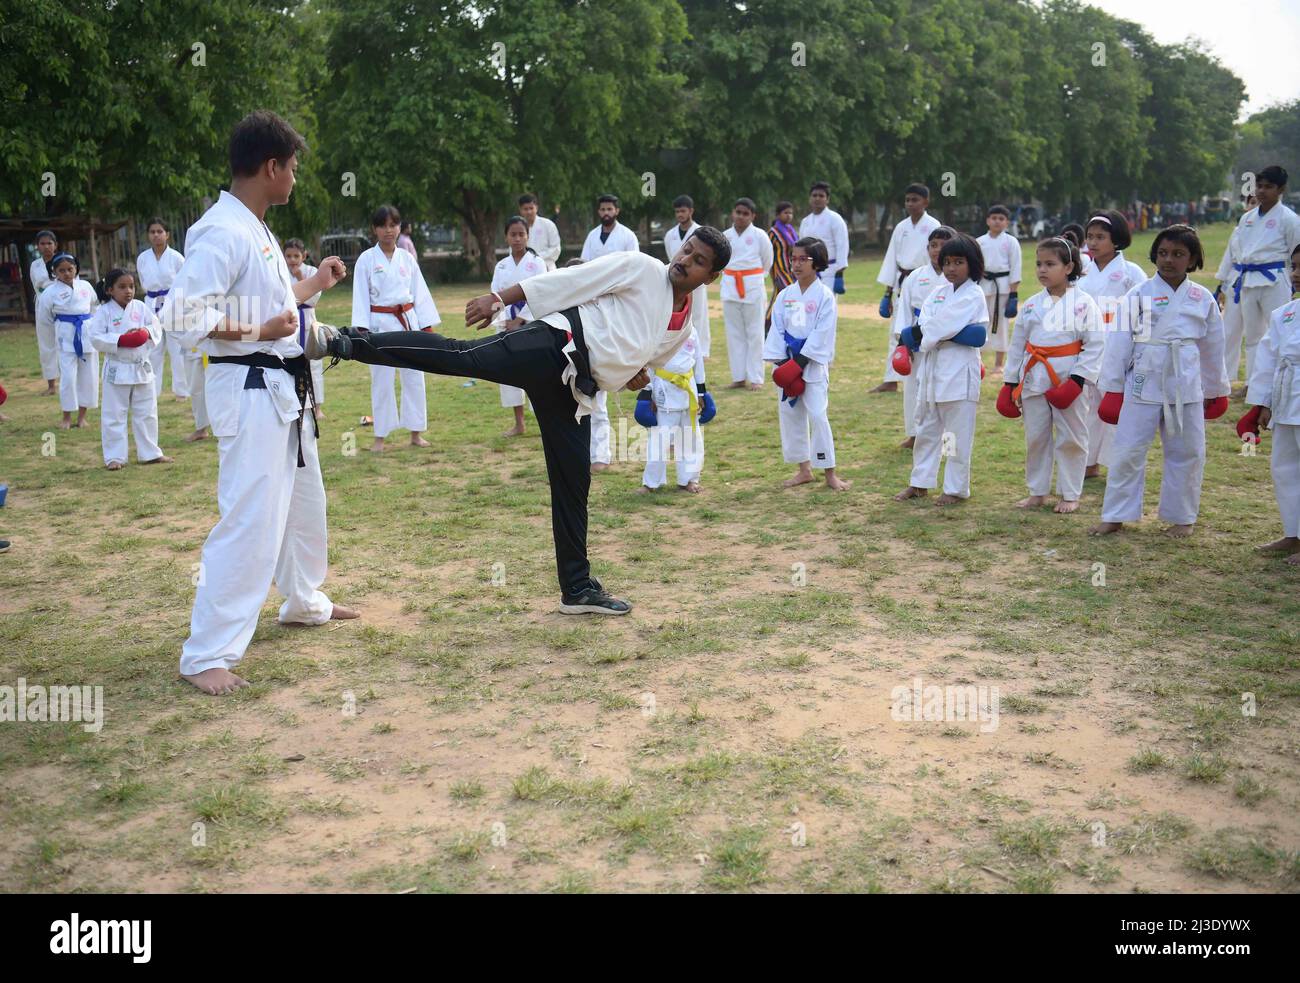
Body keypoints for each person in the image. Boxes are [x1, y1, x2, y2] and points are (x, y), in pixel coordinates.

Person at [306, 228, 731, 615]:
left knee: (573, 482)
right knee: (460, 356)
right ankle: (344, 341)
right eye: (686, 249)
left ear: (709, 277)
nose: (685, 259)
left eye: (697, 261)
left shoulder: (686, 319)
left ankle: (577, 589)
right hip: (551, 345)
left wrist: (632, 375)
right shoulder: (641, 267)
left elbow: (644, 359)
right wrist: (500, 298)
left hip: (575, 390)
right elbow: (569, 282)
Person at [161, 109, 356, 696]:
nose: (295, 177)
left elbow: (274, 304)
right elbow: (182, 315)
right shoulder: (221, 229)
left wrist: (313, 286)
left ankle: (302, 599)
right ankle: (207, 654)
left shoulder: (257, 227)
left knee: (302, 502)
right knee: (251, 518)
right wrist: (257, 331)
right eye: (292, 167)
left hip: (281, 387)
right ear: (270, 167)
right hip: (248, 387)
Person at [1090, 225, 1229, 538]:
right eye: (1164, 253)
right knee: (1126, 451)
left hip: (1186, 384)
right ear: (1154, 255)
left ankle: (1182, 518)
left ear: (1192, 259)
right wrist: (1112, 388)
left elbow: (1213, 347)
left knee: (1188, 452)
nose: (1169, 260)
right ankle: (1115, 515)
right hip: (1142, 381)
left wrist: (1216, 389)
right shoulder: (1137, 294)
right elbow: (1119, 343)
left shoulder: (1201, 297)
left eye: (1178, 254)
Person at [997, 238, 1103, 514]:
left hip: (1068, 380)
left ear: (1068, 267)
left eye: (1050, 264)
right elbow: (1018, 345)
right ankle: (1037, 491)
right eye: (1039, 264)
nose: (1042, 270)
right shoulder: (1032, 305)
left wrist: (1078, 380)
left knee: (1072, 437)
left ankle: (1070, 493)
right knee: (1036, 436)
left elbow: (1095, 344)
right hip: (1034, 377)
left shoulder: (1084, 303)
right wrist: (1010, 383)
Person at [894, 233, 988, 506]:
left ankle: (955, 488)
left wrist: (923, 334)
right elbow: (930, 321)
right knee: (926, 430)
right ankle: (920, 482)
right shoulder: (937, 293)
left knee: (954, 436)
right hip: (932, 370)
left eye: (958, 262)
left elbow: (935, 327)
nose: (951, 268)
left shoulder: (973, 293)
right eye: (947, 262)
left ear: (972, 264)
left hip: (959, 373)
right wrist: (940, 332)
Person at [352, 204, 439, 453]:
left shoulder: (407, 258)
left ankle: (416, 432)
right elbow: (360, 296)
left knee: (414, 377)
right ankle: (380, 436)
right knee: (381, 379)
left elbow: (420, 293)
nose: (389, 231)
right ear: (374, 229)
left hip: (408, 321)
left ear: (399, 227)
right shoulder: (367, 260)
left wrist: (426, 326)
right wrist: (361, 328)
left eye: (393, 225)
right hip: (379, 324)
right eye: (383, 226)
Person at [765, 237, 849, 491]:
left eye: (804, 259)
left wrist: (799, 364)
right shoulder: (785, 295)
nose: (797, 264)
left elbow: (822, 334)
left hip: (811, 364)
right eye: (794, 258)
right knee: (791, 416)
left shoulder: (824, 296)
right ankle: (804, 470)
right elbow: (776, 329)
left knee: (817, 414)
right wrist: (783, 364)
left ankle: (830, 473)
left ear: (817, 262)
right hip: (787, 362)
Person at [1077, 210, 1147, 478]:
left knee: (1117, 405)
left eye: (1100, 237)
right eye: (1090, 237)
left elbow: (1144, 312)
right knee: (1090, 406)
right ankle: (1089, 462)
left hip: (1120, 346)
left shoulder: (1132, 273)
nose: (1093, 243)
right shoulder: (1082, 270)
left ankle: (1117, 462)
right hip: (1089, 346)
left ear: (1116, 240)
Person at [1218, 166, 1300, 388]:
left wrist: (1294, 279)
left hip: (1275, 279)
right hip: (1248, 279)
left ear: (1280, 189)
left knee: (1279, 332)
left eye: (1269, 187)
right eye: (1259, 186)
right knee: (1253, 336)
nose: (1262, 191)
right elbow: (1240, 249)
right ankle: (1252, 385)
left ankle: (1279, 383)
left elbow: (1296, 252)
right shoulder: (1247, 219)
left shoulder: (1289, 219)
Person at [1244, 243, 1300, 564]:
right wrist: (1262, 404)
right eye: (1293, 266)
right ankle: (1293, 533)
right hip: (1286, 397)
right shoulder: (1285, 314)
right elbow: (1267, 361)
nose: (1296, 274)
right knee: (1285, 468)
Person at [87, 268, 172, 470]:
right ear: (109, 290)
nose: (128, 291)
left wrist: (144, 333)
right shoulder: (104, 311)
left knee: (147, 412)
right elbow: (95, 336)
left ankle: (150, 452)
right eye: (122, 287)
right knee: (114, 414)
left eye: (132, 286)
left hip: (141, 366)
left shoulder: (141, 307)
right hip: (118, 368)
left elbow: (156, 326)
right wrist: (121, 339)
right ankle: (114, 457)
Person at [580, 194, 640, 471]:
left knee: (599, 393)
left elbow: (635, 268)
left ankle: (601, 455)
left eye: (610, 208)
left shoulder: (627, 236)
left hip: (617, 304)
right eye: (602, 208)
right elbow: (583, 268)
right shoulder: (592, 237)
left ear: (617, 210)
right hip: (591, 302)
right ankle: (584, 452)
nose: (606, 212)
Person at [892, 225, 955, 448]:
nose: (937, 250)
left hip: (948, 341)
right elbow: (904, 310)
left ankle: (947, 438)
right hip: (917, 340)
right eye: (933, 245)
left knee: (946, 391)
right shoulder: (915, 277)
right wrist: (903, 342)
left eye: (943, 245)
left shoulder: (958, 278)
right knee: (913, 389)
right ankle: (914, 433)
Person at [874, 183, 939, 393]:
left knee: (923, 329)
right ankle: (891, 378)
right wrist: (887, 292)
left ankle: (926, 374)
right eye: (907, 200)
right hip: (902, 281)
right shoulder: (901, 227)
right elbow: (892, 258)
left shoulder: (933, 225)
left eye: (915, 200)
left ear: (925, 202)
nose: (910, 204)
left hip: (926, 281)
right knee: (898, 329)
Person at [490, 216, 547, 436]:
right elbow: (494, 295)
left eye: (521, 234)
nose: (517, 238)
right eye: (512, 234)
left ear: (527, 236)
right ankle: (519, 422)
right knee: (510, 373)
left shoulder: (537, 262)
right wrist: (502, 319)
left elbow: (541, 292)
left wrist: (520, 319)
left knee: (537, 373)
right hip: (506, 324)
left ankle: (544, 419)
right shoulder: (501, 266)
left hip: (531, 323)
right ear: (506, 236)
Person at [634, 329, 709, 494]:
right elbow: (648, 364)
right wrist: (648, 393)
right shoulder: (657, 329)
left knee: (691, 440)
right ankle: (651, 483)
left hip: (688, 390)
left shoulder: (692, 331)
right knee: (659, 441)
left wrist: (702, 391)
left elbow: (698, 362)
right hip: (663, 391)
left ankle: (689, 479)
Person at [35, 253, 99, 430]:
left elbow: (94, 307)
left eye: (70, 269)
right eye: (61, 270)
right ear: (54, 272)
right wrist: (59, 328)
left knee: (89, 376)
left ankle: (82, 417)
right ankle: (66, 417)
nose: (67, 273)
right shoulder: (49, 293)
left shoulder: (85, 286)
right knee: (68, 378)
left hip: (86, 332)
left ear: (76, 269)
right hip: (65, 335)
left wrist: (92, 325)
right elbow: (44, 318)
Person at [722, 197, 774, 391]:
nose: (741, 216)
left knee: (755, 333)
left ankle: (756, 377)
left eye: (746, 214)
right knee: (734, 333)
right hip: (730, 286)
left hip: (752, 285)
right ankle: (738, 376)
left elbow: (767, 261)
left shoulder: (760, 235)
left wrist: (756, 278)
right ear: (732, 214)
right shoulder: (725, 236)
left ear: (753, 216)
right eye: (738, 212)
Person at [136, 218, 189, 401]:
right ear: (148, 235)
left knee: (177, 349)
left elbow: (184, 283)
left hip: (173, 302)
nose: (156, 235)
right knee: (153, 349)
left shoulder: (177, 258)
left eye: (160, 231)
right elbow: (143, 282)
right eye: (152, 232)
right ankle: (153, 390)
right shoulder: (143, 258)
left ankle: (181, 391)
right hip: (151, 302)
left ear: (167, 234)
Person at [977, 204, 1023, 376]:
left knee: (1002, 325)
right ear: (988, 220)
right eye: (994, 218)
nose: (997, 221)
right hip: (983, 285)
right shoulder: (980, 241)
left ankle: (999, 363)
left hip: (1003, 287)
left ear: (1007, 223)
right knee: (981, 322)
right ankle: (978, 359)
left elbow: (1015, 267)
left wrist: (1014, 294)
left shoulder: (1011, 242)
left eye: (1001, 219)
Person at [663, 195, 711, 357]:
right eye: (677, 212)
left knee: (698, 315)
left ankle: (702, 351)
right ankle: (680, 349)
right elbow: (672, 256)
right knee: (679, 315)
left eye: (683, 211)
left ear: (691, 211)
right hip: (677, 281)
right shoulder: (670, 235)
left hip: (696, 280)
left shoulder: (701, 233)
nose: (680, 215)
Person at [285, 238, 325, 422]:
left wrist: (302, 279)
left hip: (308, 321)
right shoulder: (281, 272)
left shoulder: (312, 272)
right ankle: (295, 402)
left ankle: (317, 407)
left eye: (296, 255)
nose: (292, 260)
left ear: (304, 255)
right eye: (288, 256)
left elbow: (313, 298)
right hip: (290, 323)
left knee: (314, 366)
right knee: (290, 362)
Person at [798, 181, 849, 294]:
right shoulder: (805, 222)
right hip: (809, 270)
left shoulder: (835, 219)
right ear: (810, 198)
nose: (817, 198)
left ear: (827, 199)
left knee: (826, 306)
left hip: (829, 270)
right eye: (814, 195)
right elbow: (800, 248)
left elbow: (842, 245)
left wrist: (839, 273)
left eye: (821, 196)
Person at [30, 229, 60, 395]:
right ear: (37, 246)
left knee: (65, 343)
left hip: (64, 307)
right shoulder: (35, 265)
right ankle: (51, 385)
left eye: (49, 243)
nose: (46, 246)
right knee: (46, 344)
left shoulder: (64, 261)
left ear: (55, 245)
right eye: (43, 243)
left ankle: (71, 380)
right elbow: (37, 286)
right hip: (42, 306)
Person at [518, 194, 562, 271]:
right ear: (520, 210)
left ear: (536, 208)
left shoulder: (548, 225)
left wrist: (536, 257)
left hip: (547, 268)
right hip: (525, 270)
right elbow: (513, 250)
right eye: (525, 209)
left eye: (531, 208)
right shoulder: (517, 228)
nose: (529, 212)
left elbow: (556, 249)